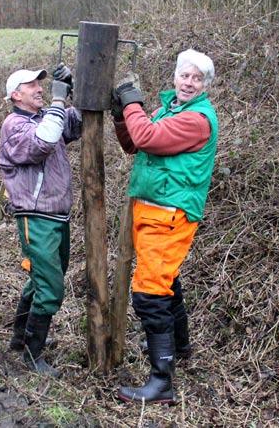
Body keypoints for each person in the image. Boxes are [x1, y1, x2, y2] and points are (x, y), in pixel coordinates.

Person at [111, 49, 219, 404]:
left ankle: (162, 381)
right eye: (184, 75)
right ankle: (180, 348)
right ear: (174, 77)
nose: (188, 83)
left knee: (149, 292)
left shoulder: (196, 120)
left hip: (170, 214)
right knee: (166, 280)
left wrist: (132, 103)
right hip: (154, 210)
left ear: (205, 85)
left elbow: (147, 138)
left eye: (196, 78)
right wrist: (122, 114)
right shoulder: (170, 109)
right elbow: (134, 143)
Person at [0, 64, 82, 376]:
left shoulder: (47, 117)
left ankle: (19, 341)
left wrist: (75, 87)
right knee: (51, 289)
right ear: (15, 95)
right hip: (37, 215)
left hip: (57, 214)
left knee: (39, 281)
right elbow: (43, 141)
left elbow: (80, 120)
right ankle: (32, 358)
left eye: (40, 83)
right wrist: (59, 103)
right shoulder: (14, 125)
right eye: (31, 84)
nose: (39, 88)